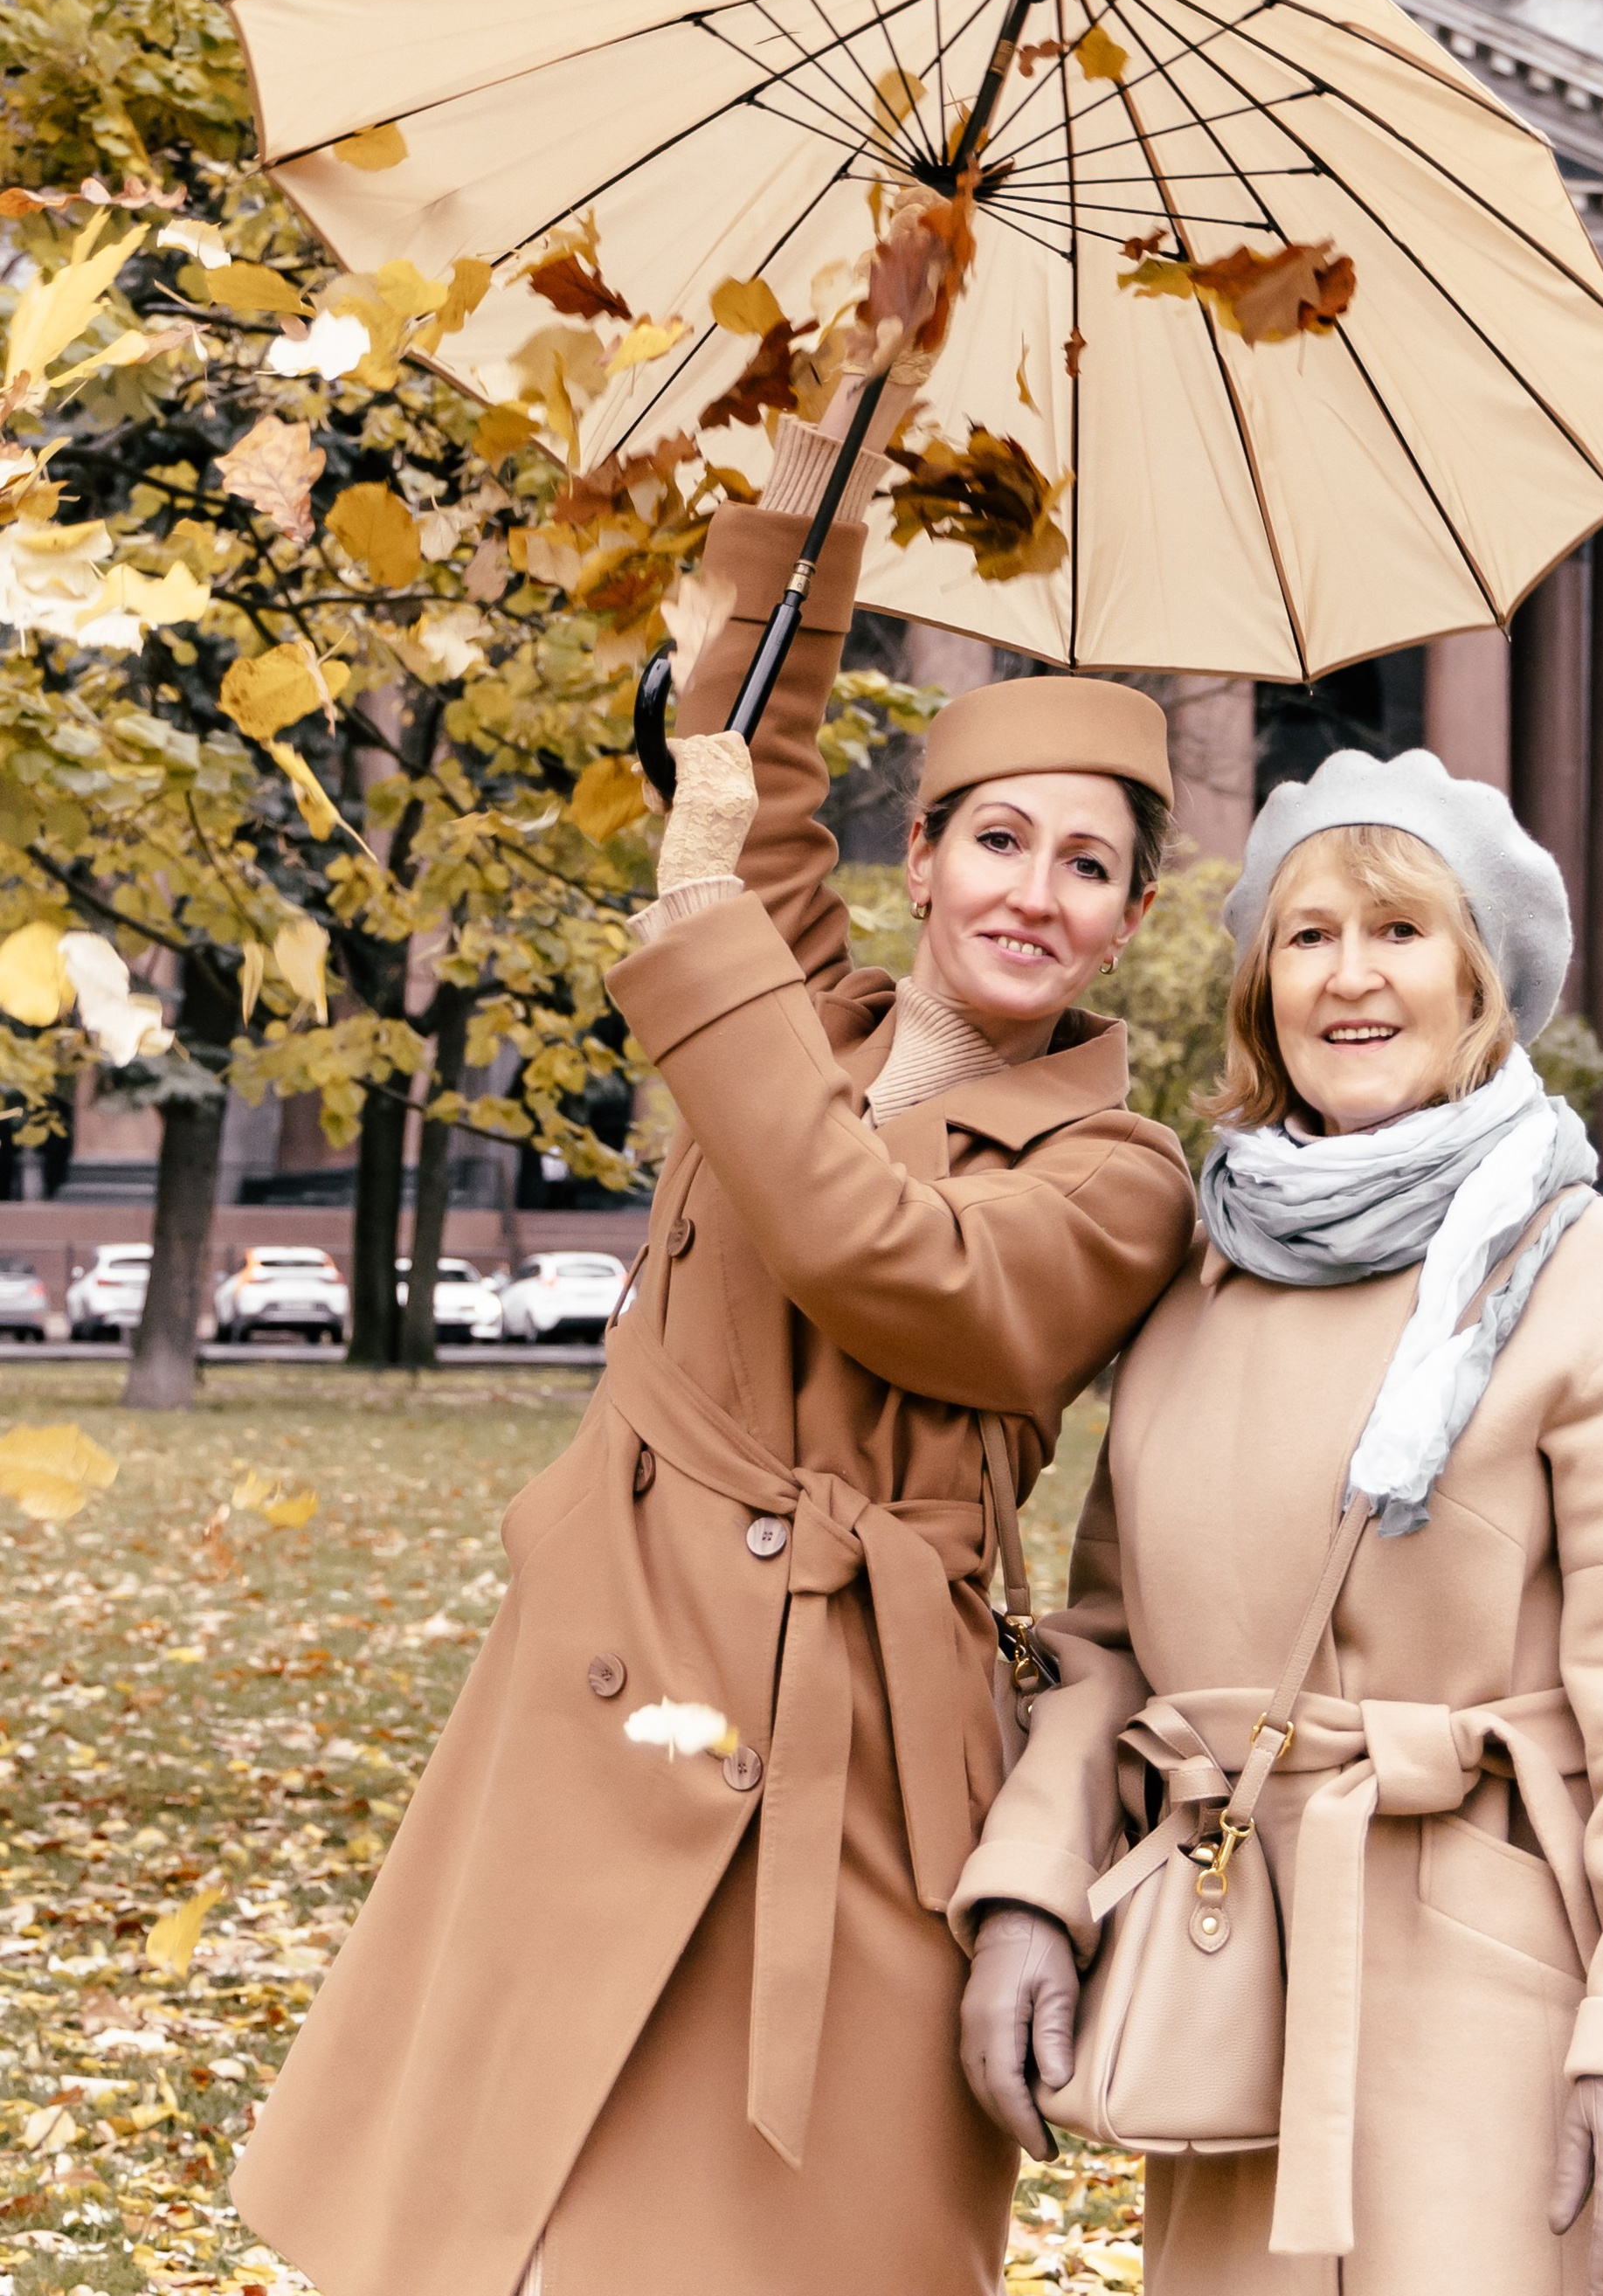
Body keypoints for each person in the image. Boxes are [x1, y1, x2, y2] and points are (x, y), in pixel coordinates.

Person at [233, 358, 1199, 2296]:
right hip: (617, 1683)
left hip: (853, 1782)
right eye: (996, 842)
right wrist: (860, 395)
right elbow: (736, 734)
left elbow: (890, 1264)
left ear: (1122, 924)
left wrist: (708, 953)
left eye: (1085, 867)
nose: (1032, 893)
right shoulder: (813, 1015)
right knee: (511, 2229)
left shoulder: (1121, 1173)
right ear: (914, 860)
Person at [954, 747, 1603, 2296]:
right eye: (1308, 938)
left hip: (1495, 1989)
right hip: (1231, 1981)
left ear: (1479, 978)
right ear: (1263, 989)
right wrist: (1030, 1895)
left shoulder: (1587, 1272)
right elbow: (1112, 1651)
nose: (1351, 979)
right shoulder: (1198, 1281)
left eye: (1400, 934)